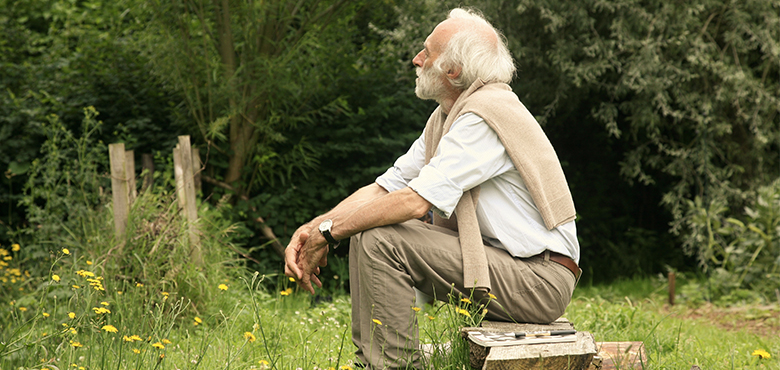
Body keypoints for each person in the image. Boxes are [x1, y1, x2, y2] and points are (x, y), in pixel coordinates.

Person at [285, 7, 580, 369]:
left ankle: (394, 366)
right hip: (513, 270)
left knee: (379, 238)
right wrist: (315, 228)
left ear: (452, 71)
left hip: (540, 280)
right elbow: (385, 189)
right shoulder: (447, 118)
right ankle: (378, 363)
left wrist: (329, 235)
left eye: (427, 51)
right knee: (370, 229)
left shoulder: (484, 119)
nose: (417, 58)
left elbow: (412, 202)